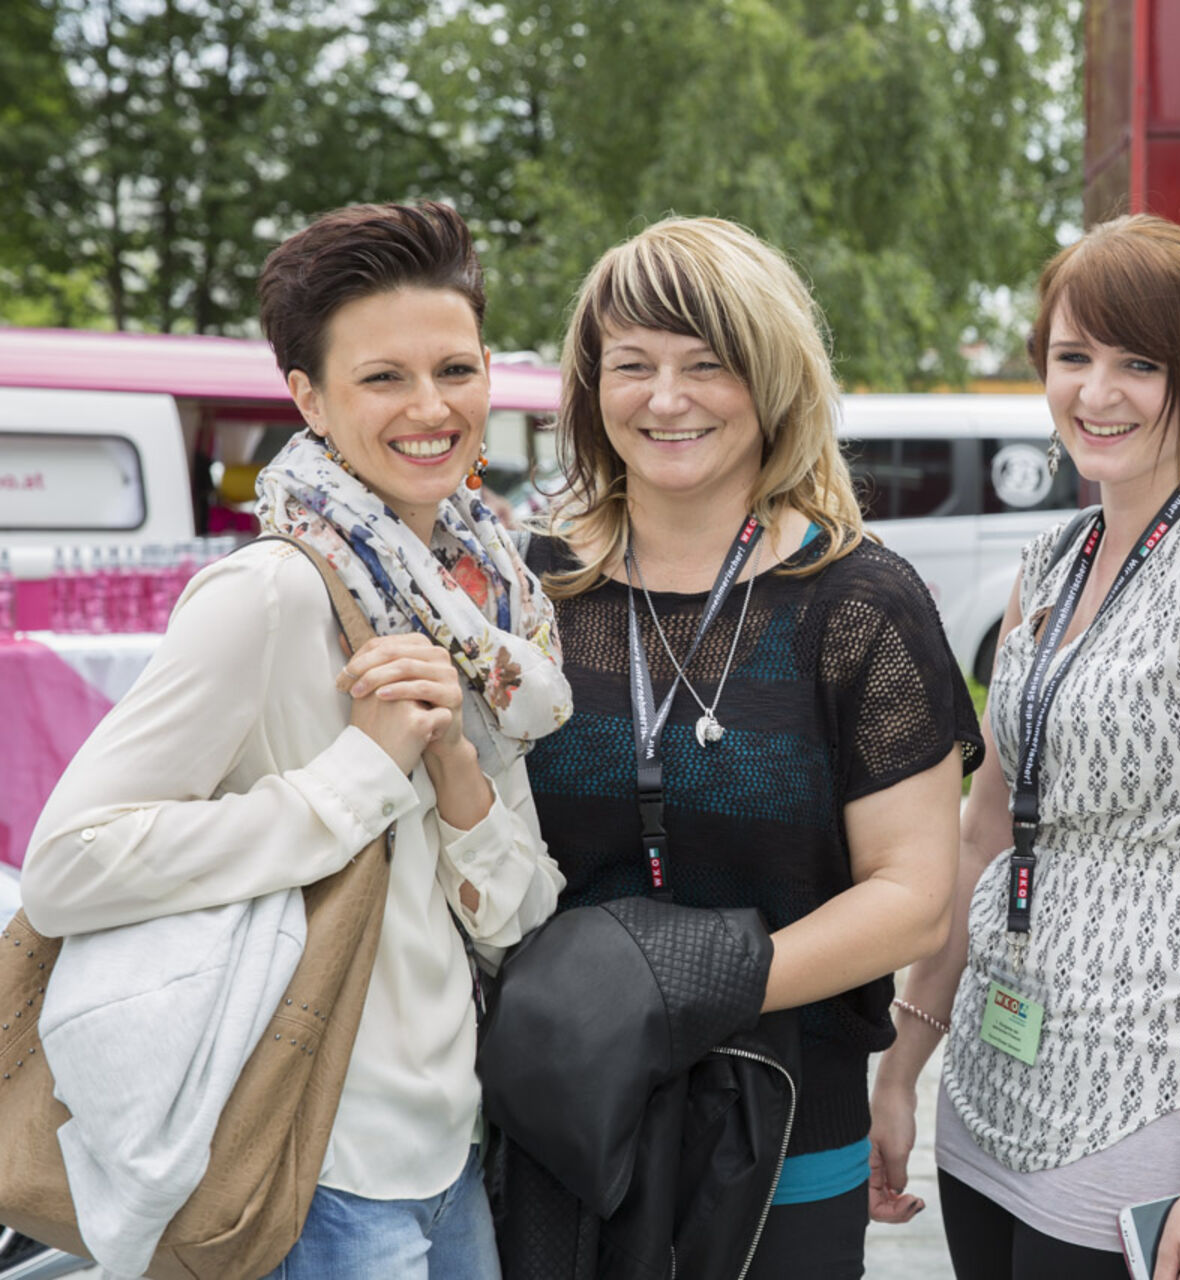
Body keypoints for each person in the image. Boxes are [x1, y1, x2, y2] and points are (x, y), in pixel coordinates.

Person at [22, 201, 571, 1277]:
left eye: (455, 369)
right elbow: (67, 865)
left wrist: (454, 764)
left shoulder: (487, 604)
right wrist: (359, 773)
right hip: (311, 1165)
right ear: (309, 398)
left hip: (452, 1151)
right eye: (384, 377)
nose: (431, 407)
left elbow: (518, 922)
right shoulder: (270, 593)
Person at [870, 213, 1180, 1280]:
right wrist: (902, 1065)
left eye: (1140, 363)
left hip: (1149, 1095)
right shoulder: (1049, 561)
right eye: (1073, 355)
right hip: (992, 1076)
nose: (1098, 391)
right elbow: (986, 834)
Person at [513, 215, 982, 1279]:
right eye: (632, 365)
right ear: (591, 388)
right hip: (557, 1118)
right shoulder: (530, 592)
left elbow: (914, 896)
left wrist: (686, 986)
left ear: (771, 381)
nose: (665, 399)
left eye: (705, 365)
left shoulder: (860, 604)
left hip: (786, 1135)